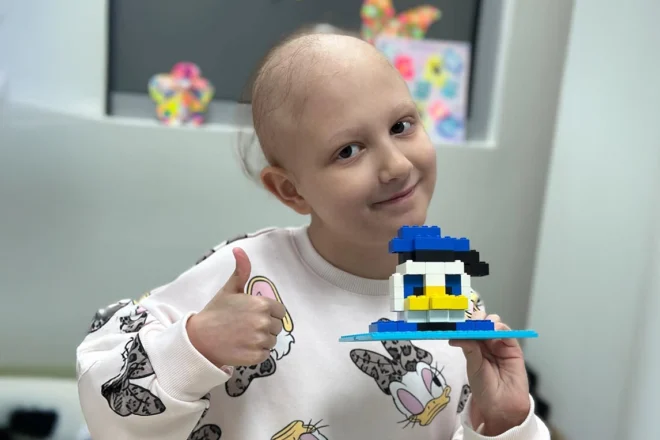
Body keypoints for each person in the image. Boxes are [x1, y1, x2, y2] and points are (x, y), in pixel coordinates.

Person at [76, 29, 550, 440]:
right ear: (291, 190)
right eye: (348, 151)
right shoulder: (246, 276)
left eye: (402, 126)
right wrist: (196, 344)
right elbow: (104, 393)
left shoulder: (446, 292)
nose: (396, 165)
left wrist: (505, 422)